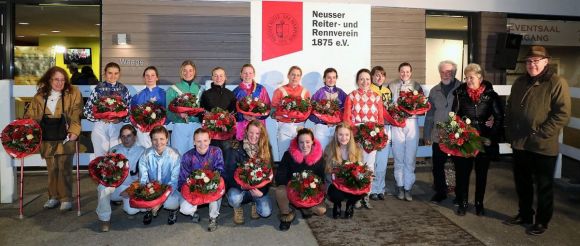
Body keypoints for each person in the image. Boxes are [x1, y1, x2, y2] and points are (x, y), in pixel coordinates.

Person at [503, 46, 571, 235]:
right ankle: (525, 214)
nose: (532, 64)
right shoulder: (519, 82)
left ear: (546, 62)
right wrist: (509, 130)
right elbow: (509, 108)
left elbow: (562, 114)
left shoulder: (557, 82)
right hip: (520, 143)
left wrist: (541, 133)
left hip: (543, 144)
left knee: (544, 186)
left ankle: (542, 221)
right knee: (522, 183)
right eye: (529, 61)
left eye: (536, 61)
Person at [26, 66, 83, 211]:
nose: (59, 83)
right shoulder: (40, 96)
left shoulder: (73, 92)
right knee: (52, 168)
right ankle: (53, 197)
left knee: (64, 167)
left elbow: (77, 112)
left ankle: (66, 198)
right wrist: (29, 131)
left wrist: (74, 130)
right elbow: (31, 115)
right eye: (56, 79)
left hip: (66, 134)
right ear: (49, 79)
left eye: (62, 80)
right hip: (47, 135)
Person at [451, 63, 503, 216]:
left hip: (483, 139)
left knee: (482, 174)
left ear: (480, 77)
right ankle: (463, 202)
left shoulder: (491, 95)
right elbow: (454, 116)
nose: (468, 80)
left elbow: (499, 117)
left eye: (471, 77)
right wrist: (458, 134)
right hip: (465, 139)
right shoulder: (459, 93)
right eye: (466, 78)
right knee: (462, 173)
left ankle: (479, 204)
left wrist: (491, 137)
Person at [343, 68, 384, 209]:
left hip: (371, 137)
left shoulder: (377, 97)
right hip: (356, 135)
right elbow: (347, 119)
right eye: (361, 79)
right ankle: (356, 195)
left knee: (370, 165)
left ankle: (366, 194)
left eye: (367, 79)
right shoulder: (351, 96)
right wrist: (354, 133)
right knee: (356, 165)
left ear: (370, 80)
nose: (365, 81)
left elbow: (380, 119)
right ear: (357, 81)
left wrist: (378, 135)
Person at [423, 60, 461, 203]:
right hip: (438, 136)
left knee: (459, 166)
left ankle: (459, 194)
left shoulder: (462, 88)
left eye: (449, 72)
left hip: (457, 135)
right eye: (443, 72)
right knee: (437, 165)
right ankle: (441, 191)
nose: (446, 74)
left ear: (454, 73)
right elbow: (430, 114)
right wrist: (426, 134)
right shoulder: (434, 91)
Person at [95, 124, 145, 232]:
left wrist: (131, 190)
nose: (126, 139)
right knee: (102, 188)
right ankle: (104, 220)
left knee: (131, 210)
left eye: (129, 136)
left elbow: (145, 177)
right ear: (120, 138)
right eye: (123, 136)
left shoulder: (143, 151)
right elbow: (105, 173)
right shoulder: (114, 150)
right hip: (116, 187)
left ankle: (129, 208)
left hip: (133, 187)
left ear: (135, 137)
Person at [275, 128, 326, 231]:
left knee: (321, 210)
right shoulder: (288, 155)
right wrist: (291, 186)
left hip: (309, 191)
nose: (304, 145)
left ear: (312, 141)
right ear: (297, 143)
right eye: (301, 142)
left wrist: (311, 191)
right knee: (280, 191)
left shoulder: (319, 158)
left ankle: (306, 207)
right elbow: (280, 174)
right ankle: (286, 214)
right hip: (292, 188)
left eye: (307, 142)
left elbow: (321, 179)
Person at [223, 120, 273, 225]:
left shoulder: (266, 149)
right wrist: (242, 186)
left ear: (261, 134)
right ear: (246, 132)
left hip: (257, 189)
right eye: (251, 132)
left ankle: (254, 202)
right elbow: (227, 175)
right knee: (234, 197)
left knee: (266, 212)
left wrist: (262, 191)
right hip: (240, 189)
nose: (253, 136)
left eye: (257, 133)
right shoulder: (235, 149)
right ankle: (237, 208)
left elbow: (269, 175)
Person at [387, 62, 424, 201]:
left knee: (410, 157)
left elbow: (422, 105)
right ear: (399, 72)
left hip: (411, 123)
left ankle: (408, 187)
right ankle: (400, 186)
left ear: (411, 72)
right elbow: (388, 105)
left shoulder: (416, 85)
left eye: (407, 71)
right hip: (397, 124)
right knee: (398, 157)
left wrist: (414, 109)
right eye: (402, 71)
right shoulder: (392, 85)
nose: (405, 74)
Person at [178, 128, 225, 232]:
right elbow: (183, 178)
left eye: (205, 140)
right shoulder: (187, 156)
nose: (202, 144)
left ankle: (213, 217)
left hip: (210, 186)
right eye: (198, 141)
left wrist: (211, 183)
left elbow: (220, 171)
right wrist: (191, 187)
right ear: (194, 142)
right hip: (195, 188)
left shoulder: (216, 151)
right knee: (184, 209)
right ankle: (194, 212)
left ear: (209, 140)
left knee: (217, 189)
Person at [83, 62, 132, 157]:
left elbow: (129, 110)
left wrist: (120, 119)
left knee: (117, 156)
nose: (113, 76)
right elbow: (87, 110)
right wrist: (100, 118)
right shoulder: (98, 89)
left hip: (117, 126)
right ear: (105, 73)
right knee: (101, 156)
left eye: (116, 73)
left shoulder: (124, 90)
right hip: (101, 126)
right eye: (110, 73)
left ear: (119, 74)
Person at [138, 126, 181, 225]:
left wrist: (160, 202)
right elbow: (143, 179)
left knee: (172, 203)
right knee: (137, 207)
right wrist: (147, 195)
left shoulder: (175, 155)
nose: (158, 142)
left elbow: (174, 182)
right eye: (155, 139)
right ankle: (149, 210)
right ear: (151, 140)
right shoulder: (145, 155)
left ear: (167, 139)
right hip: (151, 189)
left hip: (169, 189)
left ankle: (173, 210)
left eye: (162, 139)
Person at [324, 123, 364, 219]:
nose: (343, 138)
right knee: (336, 194)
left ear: (350, 135)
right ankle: (337, 204)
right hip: (334, 183)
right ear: (336, 135)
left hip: (350, 182)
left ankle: (350, 204)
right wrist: (338, 182)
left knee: (362, 189)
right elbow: (327, 172)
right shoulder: (329, 149)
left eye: (346, 135)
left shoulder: (358, 149)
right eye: (340, 134)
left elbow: (361, 169)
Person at [272, 66, 311, 160]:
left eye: (298, 75)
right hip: (284, 128)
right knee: (283, 156)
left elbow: (308, 110)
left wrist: (300, 116)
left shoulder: (305, 92)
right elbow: (272, 111)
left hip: (300, 128)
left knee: (300, 157)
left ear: (300, 77)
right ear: (288, 75)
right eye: (293, 74)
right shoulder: (279, 91)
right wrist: (281, 115)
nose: (295, 77)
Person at [166, 60, 204, 155]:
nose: (188, 73)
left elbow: (204, 110)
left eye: (190, 70)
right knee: (178, 155)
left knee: (196, 156)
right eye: (185, 70)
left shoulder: (200, 89)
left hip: (196, 127)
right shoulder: (172, 89)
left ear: (194, 72)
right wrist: (178, 115)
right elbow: (168, 113)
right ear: (181, 72)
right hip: (180, 127)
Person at [368, 66, 392, 201]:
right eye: (377, 75)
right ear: (372, 76)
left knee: (382, 161)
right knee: (372, 161)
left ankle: (380, 188)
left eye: (382, 75)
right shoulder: (369, 89)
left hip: (386, 129)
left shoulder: (388, 91)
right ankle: (371, 189)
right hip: (373, 130)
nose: (379, 78)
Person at [309, 68, 348, 150]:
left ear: (336, 79)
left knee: (337, 153)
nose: (331, 80)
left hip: (336, 128)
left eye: (334, 77)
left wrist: (339, 122)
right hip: (322, 128)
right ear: (324, 79)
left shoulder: (341, 93)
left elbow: (347, 110)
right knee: (321, 153)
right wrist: (322, 121)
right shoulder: (319, 93)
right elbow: (310, 111)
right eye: (329, 77)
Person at [199, 67, 237, 150]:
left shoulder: (230, 94)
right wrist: (210, 124)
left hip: (226, 135)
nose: (218, 78)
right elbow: (201, 113)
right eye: (215, 76)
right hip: (211, 136)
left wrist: (228, 125)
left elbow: (234, 114)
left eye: (221, 76)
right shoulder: (206, 94)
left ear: (225, 77)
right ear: (212, 78)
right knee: (212, 160)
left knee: (227, 159)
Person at [232, 64, 271, 141]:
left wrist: (257, 116)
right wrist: (243, 116)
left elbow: (268, 108)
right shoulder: (236, 91)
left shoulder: (261, 89)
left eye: (250, 73)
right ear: (241, 74)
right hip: (242, 126)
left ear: (254, 74)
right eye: (245, 73)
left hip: (258, 126)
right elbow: (232, 112)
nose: (247, 75)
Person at [130, 66, 166, 148]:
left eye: (153, 75)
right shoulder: (137, 97)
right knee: (145, 155)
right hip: (143, 132)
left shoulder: (164, 94)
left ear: (157, 77)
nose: (150, 78)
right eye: (147, 75)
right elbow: (132, 116)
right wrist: (141, 126)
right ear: (144, 78)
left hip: (160, 130)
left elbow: (168, 114)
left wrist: (158, 125)